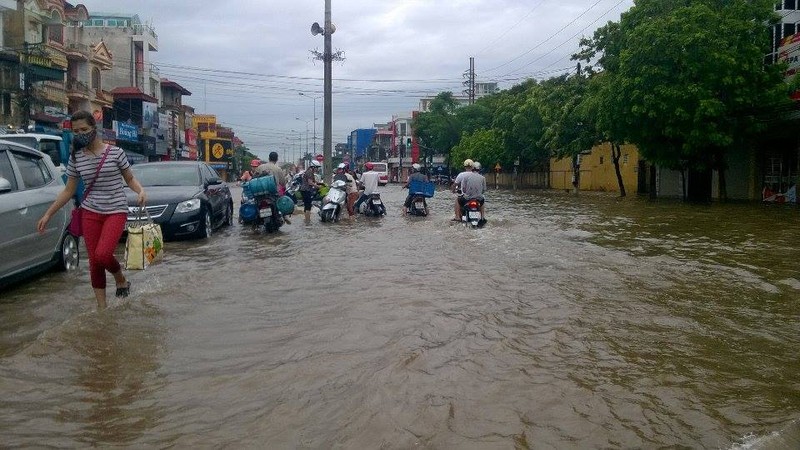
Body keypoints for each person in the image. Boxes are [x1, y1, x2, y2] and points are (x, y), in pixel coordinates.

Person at [36, 110, 146, 309]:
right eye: (76, 131)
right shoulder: (76, 158)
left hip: (115, 210)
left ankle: (120, 278)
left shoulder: (115, 153)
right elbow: (68, 190)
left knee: (103, 254)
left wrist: (140, 191)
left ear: (94, 129)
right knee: (94, 262)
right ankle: (102, 309)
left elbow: (129, 178)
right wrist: (48, 214)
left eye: (84, 129)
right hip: (90, 212)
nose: (80, 134)